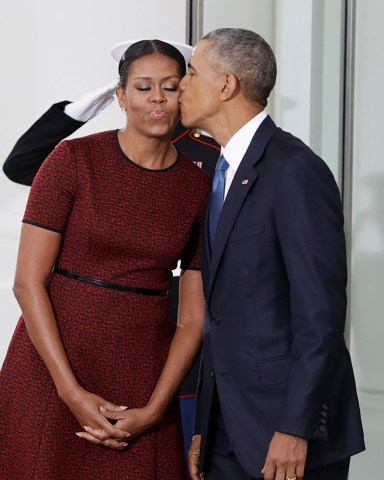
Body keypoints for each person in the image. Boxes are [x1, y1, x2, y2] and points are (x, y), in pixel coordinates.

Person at [0, 39, 212, 479]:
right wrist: (71, 393)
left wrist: (156, 409)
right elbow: (27, 282)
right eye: (142, 86)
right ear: (120, 95)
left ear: (185, 93)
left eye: (170, 87)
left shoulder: (200, 184)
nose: (157, 97)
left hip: (144, 370)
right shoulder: (73, 158)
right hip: (53, 365)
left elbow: (193, 317)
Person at [178, 28, 365, 480]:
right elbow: (225, 315)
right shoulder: (221, 172)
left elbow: (320, 313)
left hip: (285, 435)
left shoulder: (295, 170)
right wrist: (206, 424)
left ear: (227, 85)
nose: (180, 84)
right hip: (226, 431)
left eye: (191, 72)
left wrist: (295, 427)